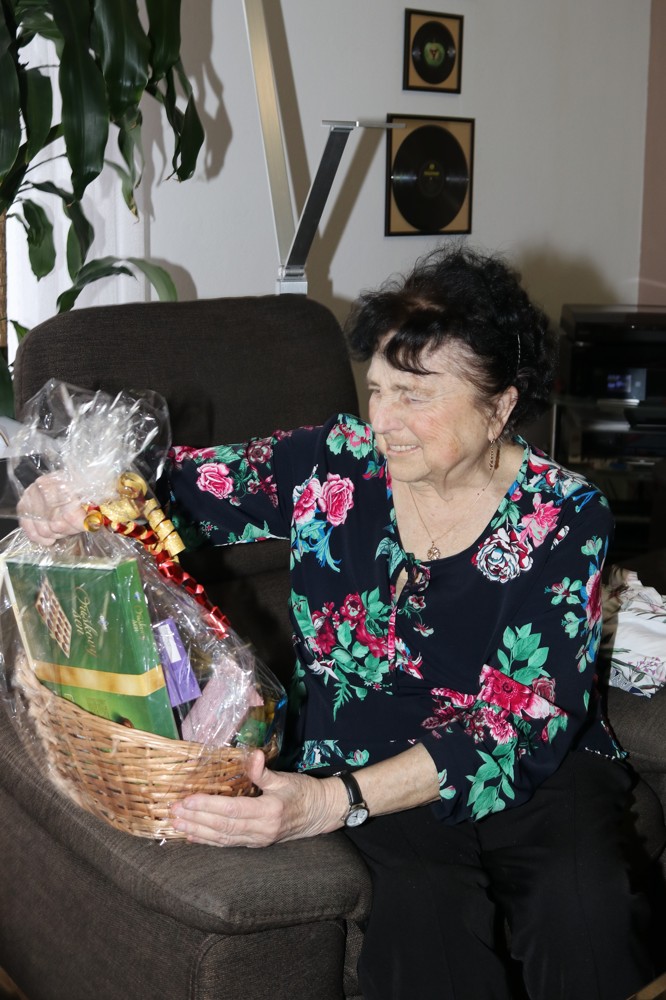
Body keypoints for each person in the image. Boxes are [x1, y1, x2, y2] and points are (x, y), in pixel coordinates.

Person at [18, 246, 655, 1000]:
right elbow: (169, 489)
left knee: (585, 908)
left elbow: (522, 724)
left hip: (534, 765)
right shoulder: (334, 463)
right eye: (378, 388)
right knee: (427, 925)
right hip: (368, 749)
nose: (385, 419)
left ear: (500, 406)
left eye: (415, 394)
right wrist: (72, 495)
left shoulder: (565, 515)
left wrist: (329, 802)